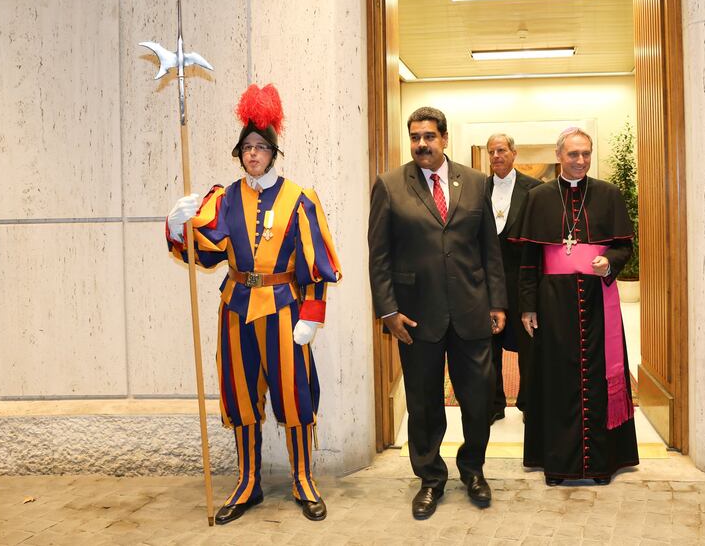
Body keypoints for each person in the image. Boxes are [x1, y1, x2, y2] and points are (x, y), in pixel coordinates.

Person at [165, 84, 341, 524]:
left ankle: (303, 479)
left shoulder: (299, 198)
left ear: (273, 152)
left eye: (261, 147)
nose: (253, 154)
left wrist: (311, 315)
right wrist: (178, 226)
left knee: (293, 394)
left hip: (284, 308)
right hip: (236, 308)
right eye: (247, 148)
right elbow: (204, 252)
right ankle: (248, 482)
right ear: (240, 154)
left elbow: (316, 262)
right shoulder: (225, 199)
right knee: (240, 396)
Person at [368, 106, 507, 519]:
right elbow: (379, 256)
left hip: (472, 310)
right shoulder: (390, 185)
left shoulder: (476, 182)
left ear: (444, 138)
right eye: (415, 137)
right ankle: (430, 478)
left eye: (429, 136)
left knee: (478, 400)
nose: (421, 144)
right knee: (424, 404)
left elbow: (490, 249)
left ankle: (473, 470)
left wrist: (497, 302)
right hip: (416, 317)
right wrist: (388, 311)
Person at [513, 127, 639, 485]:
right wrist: (528, 306)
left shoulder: (608, 194)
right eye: (573, 154)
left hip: (598, 300)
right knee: (555, 380)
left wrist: (609, 262)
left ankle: (601, 464)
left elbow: (624, 246)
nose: (581, 160)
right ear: (559, 156)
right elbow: (528, 259)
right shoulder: (538, 197)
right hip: (553, 302)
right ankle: (558, 464)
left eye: (586, 153)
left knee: (598, 377)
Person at [485, 133, 542, 424]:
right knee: (488, 345)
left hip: (522, 279)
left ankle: (529, 402)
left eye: (501, 150)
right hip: (486, 281)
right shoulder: (477, 188)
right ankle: (493, 403)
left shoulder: (535, 190)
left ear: (514, 153)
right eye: (491, 152)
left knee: (528, 344)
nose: (496, 156)